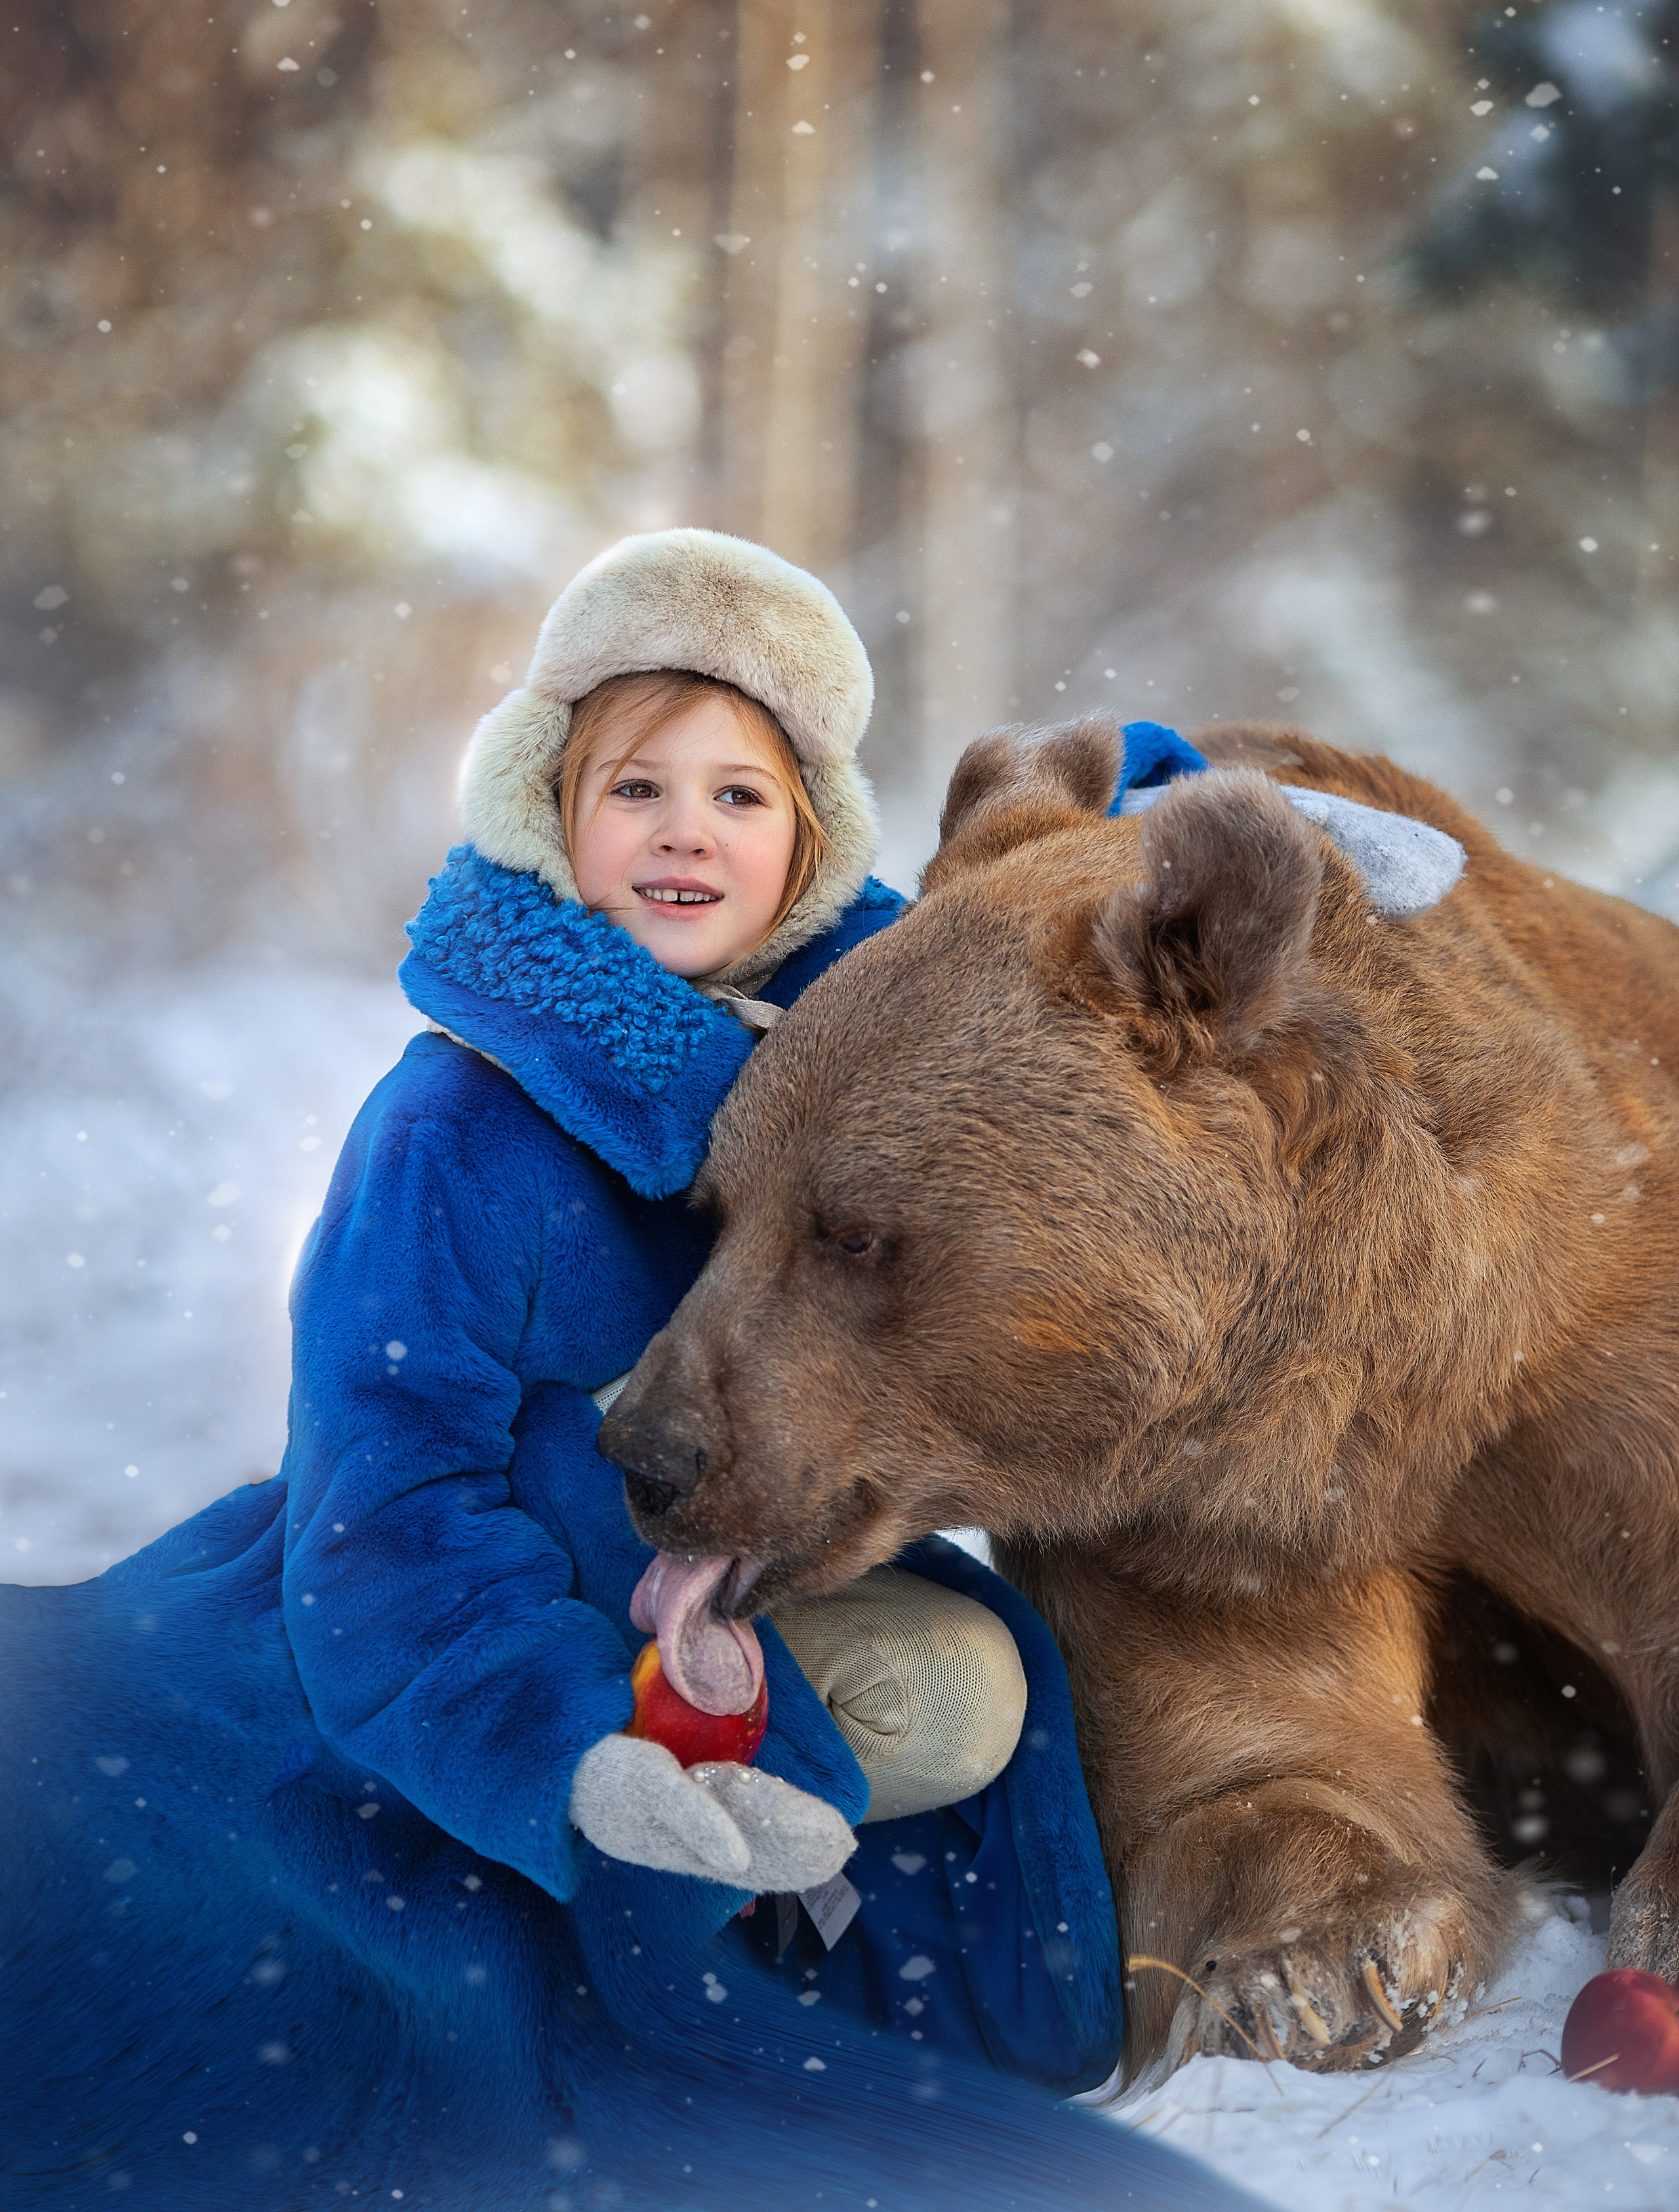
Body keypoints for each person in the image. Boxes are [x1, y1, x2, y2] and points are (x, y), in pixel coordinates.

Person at [2, 529, 1271, 2212]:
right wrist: (556, 1750)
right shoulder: (451, 1130)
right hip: (474, 1596)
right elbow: (392, 1498)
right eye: (637, 790)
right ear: (550, 818)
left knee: (964, 1699)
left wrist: (1258, 812)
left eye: (741, 797)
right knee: (289, 1966)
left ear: (810, 848)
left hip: (726, 1559)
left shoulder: (867, 1020)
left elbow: (1067, 876)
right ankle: (616, 1919)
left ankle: (787, 1913)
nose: (687, 831)